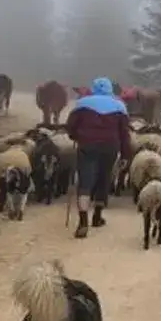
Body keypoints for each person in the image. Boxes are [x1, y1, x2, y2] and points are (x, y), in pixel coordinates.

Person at [65, 76, 132, 238]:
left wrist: (76, 136)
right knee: (104, 178)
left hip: (87, 145)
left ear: (93, 88)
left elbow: (70, 127)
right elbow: (124, 133)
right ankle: (97, 216)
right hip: (110, 147)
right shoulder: (119, 106)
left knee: (85, 182)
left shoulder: (82, 104)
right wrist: (125, 155)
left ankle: (82, 222)